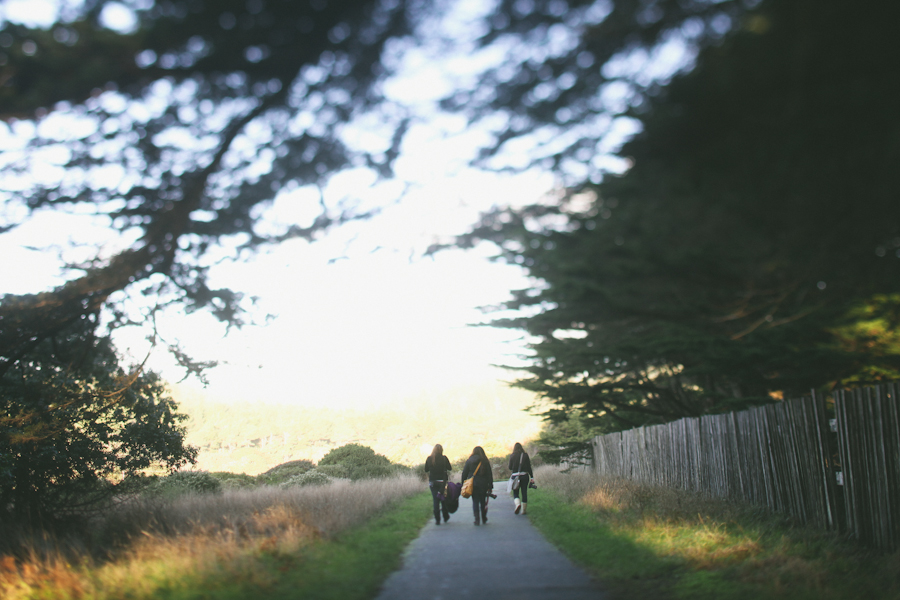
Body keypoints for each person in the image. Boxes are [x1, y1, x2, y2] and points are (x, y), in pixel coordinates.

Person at [460, 446, 493, 526]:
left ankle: (477, 519)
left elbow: (464, 473)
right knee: (482, 501)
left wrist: (463, 484)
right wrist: (490, 485)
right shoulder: (485, 461)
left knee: (475, 501)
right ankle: (484, 518)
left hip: (473, 484)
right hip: (483, 484)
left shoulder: (469, 461)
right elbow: (489, 474)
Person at [425, 443, 452, 525]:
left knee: (435, 500)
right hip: (443, 482)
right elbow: (449, 468)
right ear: (441, 450)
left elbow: (426, 469)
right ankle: (445, 516)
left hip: (433, 482)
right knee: (444, 499)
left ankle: (437, 519)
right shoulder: (444, 458)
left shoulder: (429, 459)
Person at [508, 442, 534, 515]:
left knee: (515, 492)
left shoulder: (512, 456)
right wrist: (532, 477)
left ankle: (517, 504)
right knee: (524, 492)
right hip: (524, 476)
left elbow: (510, 467)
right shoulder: (525, 455)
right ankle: (523, 510)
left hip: (515, 476)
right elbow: (529, 467)